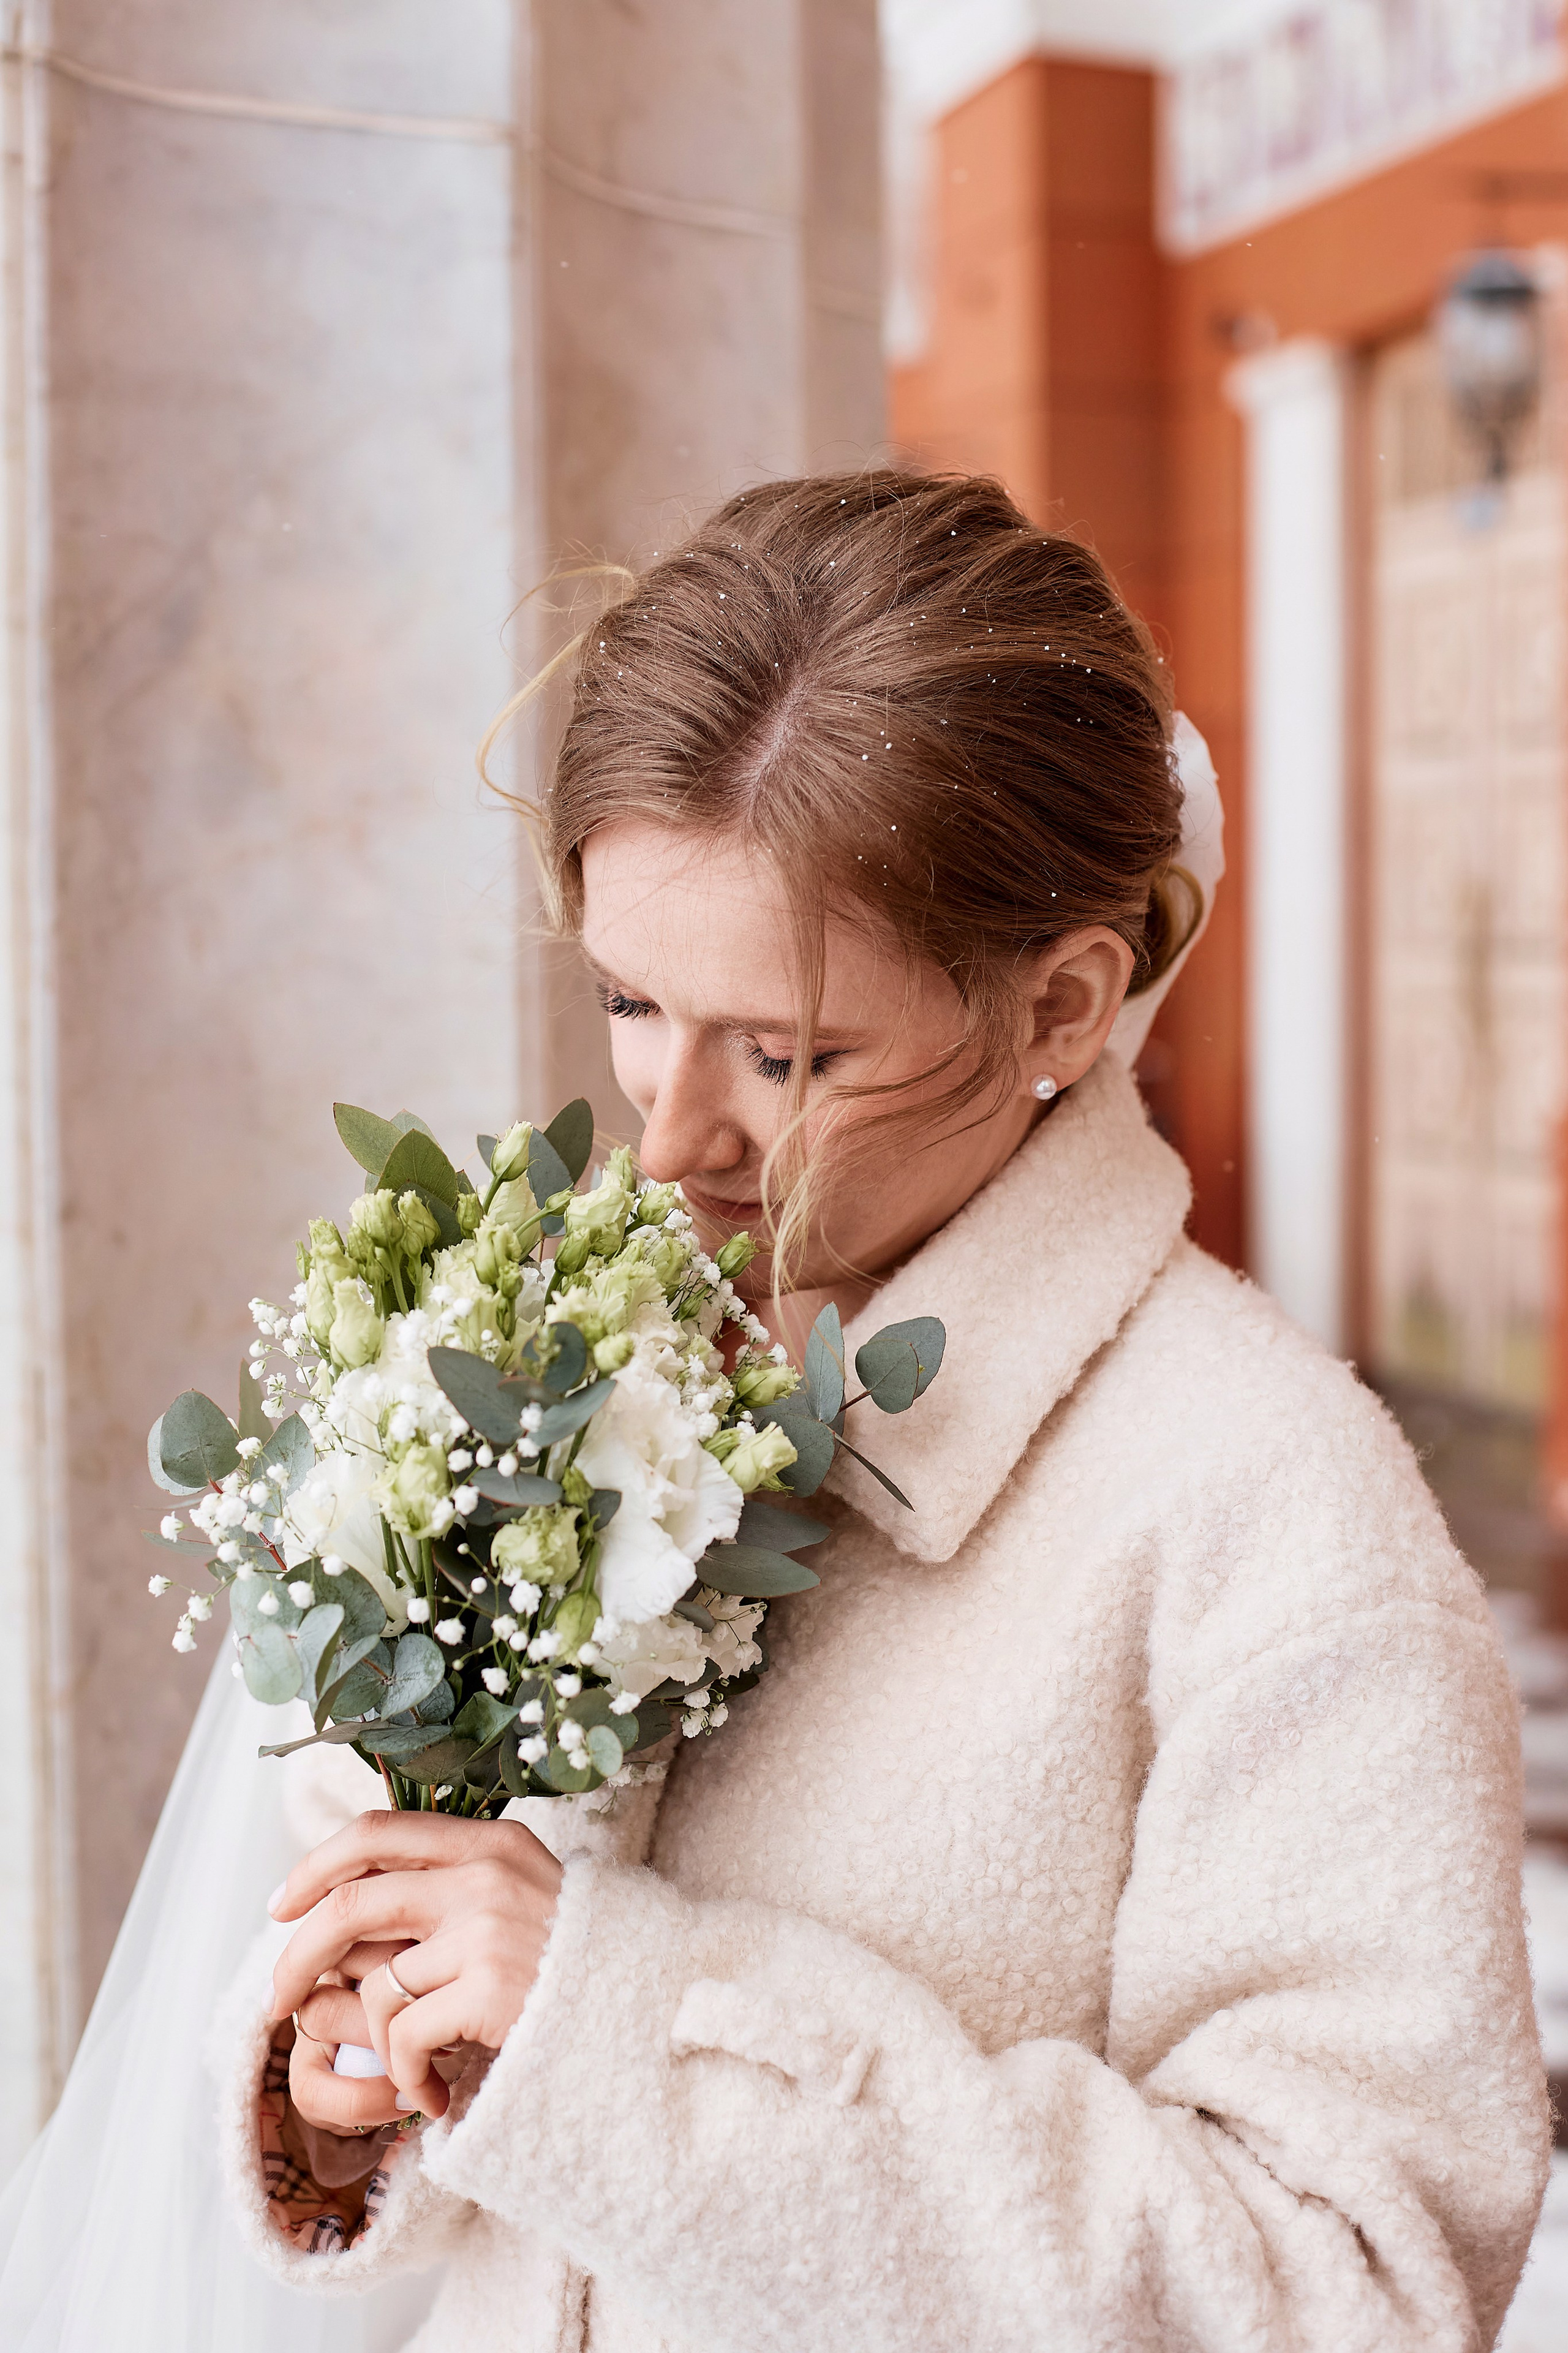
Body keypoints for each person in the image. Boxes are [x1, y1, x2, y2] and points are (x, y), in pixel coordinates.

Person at [10, 470, 1550, 2351]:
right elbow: (472, 2118)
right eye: (633, 1001)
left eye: (789, 1052)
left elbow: (1363, 2288)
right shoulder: (554, 1369)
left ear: (1064, 1002)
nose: (668, 1139)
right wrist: (362, 2089)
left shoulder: (1277, 1510)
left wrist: (620, 2032)